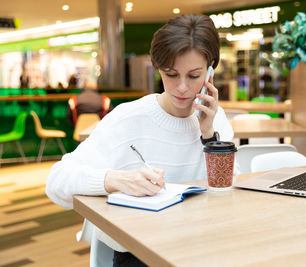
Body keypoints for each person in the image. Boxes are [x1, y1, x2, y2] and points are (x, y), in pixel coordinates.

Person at [46, 14, 235, 266]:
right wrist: (116, 180)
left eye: (193, 76)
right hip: (139, 254)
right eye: (170, 74)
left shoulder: (216, 119)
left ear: (210, 70)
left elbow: (231, 196)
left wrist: (209, 135)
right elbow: (57, 180)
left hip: (202, 247)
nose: (181, 87)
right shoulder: (128, 117)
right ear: (158, 68)